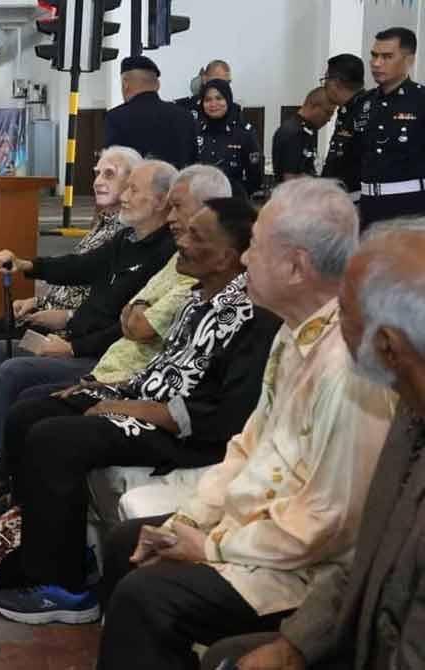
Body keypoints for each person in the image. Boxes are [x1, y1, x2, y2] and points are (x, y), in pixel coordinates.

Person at [88, 178, 396, 668]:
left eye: (254, 246)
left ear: (296, 266)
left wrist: (210, 545)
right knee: (127, 542)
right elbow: (248, 447)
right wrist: (189, 520)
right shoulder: (293, 333)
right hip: (254, 534)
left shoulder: (348, 368)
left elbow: (327, 524)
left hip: (302, 571)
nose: (245, 259)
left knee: (147, 596)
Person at [0, 197, 282, 625]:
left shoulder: (252, 316)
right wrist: (102, 388)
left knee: (56, 438)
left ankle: (65, 589)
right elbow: (161, 369)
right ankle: (39, 541)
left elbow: (221, 418)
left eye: (197, 236)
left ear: (230, 257)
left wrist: (127, 406)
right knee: (32, 411)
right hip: (149, 405)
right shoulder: (199, 298)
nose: (180, 240)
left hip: (185, 437)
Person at [201, 223, 425, 670]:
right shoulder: (409, 412)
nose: (330, 328)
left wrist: (215, 544)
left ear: (386, 346)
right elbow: (366, 558)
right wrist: (295, 647)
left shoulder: (373, 396)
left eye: (342, 312)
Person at [0, 165, 226, 529]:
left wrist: (77, 346)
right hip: (106, 357)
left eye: (129, 185)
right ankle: (2, 461)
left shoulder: (177, 258)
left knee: (21, 385)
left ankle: (13, 482)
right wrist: (30, 269)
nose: (119, 193)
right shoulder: (132, 240)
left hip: (109, 362)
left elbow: (138, 327)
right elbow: (97, 283)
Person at [0, 145, 142, 386]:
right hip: (42, 315)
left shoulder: (129, 232)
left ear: (134, 183)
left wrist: (66, 316)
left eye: (109, 174)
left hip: (60, 331)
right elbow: (74, 269)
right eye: (97, 173)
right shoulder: (105, 222)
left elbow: (85, 277)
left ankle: (6, 402)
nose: (97, 182)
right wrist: (36, 300)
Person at [356, 28, 425, 226]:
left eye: (387, 57)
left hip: (410, 210)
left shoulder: (421, 101)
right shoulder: (365, 102)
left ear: (409, 60)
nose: (377, 64)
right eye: (374, 56)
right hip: (368, 208)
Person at [104, 56, 198, 168]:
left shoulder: (116, 118)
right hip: (176, 184)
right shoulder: (184, 116)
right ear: (158, 85)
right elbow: (192, 163)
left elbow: (113, 165)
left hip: (135, 185)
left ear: (125, 84)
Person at [197, 78, 264, 196]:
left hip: (233, 201)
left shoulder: (244, 132)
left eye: (219, 98)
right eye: (208, 100)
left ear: (228, 99)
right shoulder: (195, 130)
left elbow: (255, 175)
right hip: (199, 200)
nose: (213, 104)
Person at [321, 53, 369, 202]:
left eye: (325, 80)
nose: (324, 85)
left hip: (357, 203)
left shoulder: (367, 111)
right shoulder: (347, 111)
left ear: (336, 82)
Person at [272, 87, 336, 183]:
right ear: (314, 107)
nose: (329, 119)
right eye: (327, 113)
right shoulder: (295, 133)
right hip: (294, 196)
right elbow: (291, 179)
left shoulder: (303, 130)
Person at [176, 59, 240, 125]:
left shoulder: (235, 110)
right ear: (204, 79)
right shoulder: (185, 107)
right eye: (216, 82)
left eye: (226, 83)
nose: (221, 87)